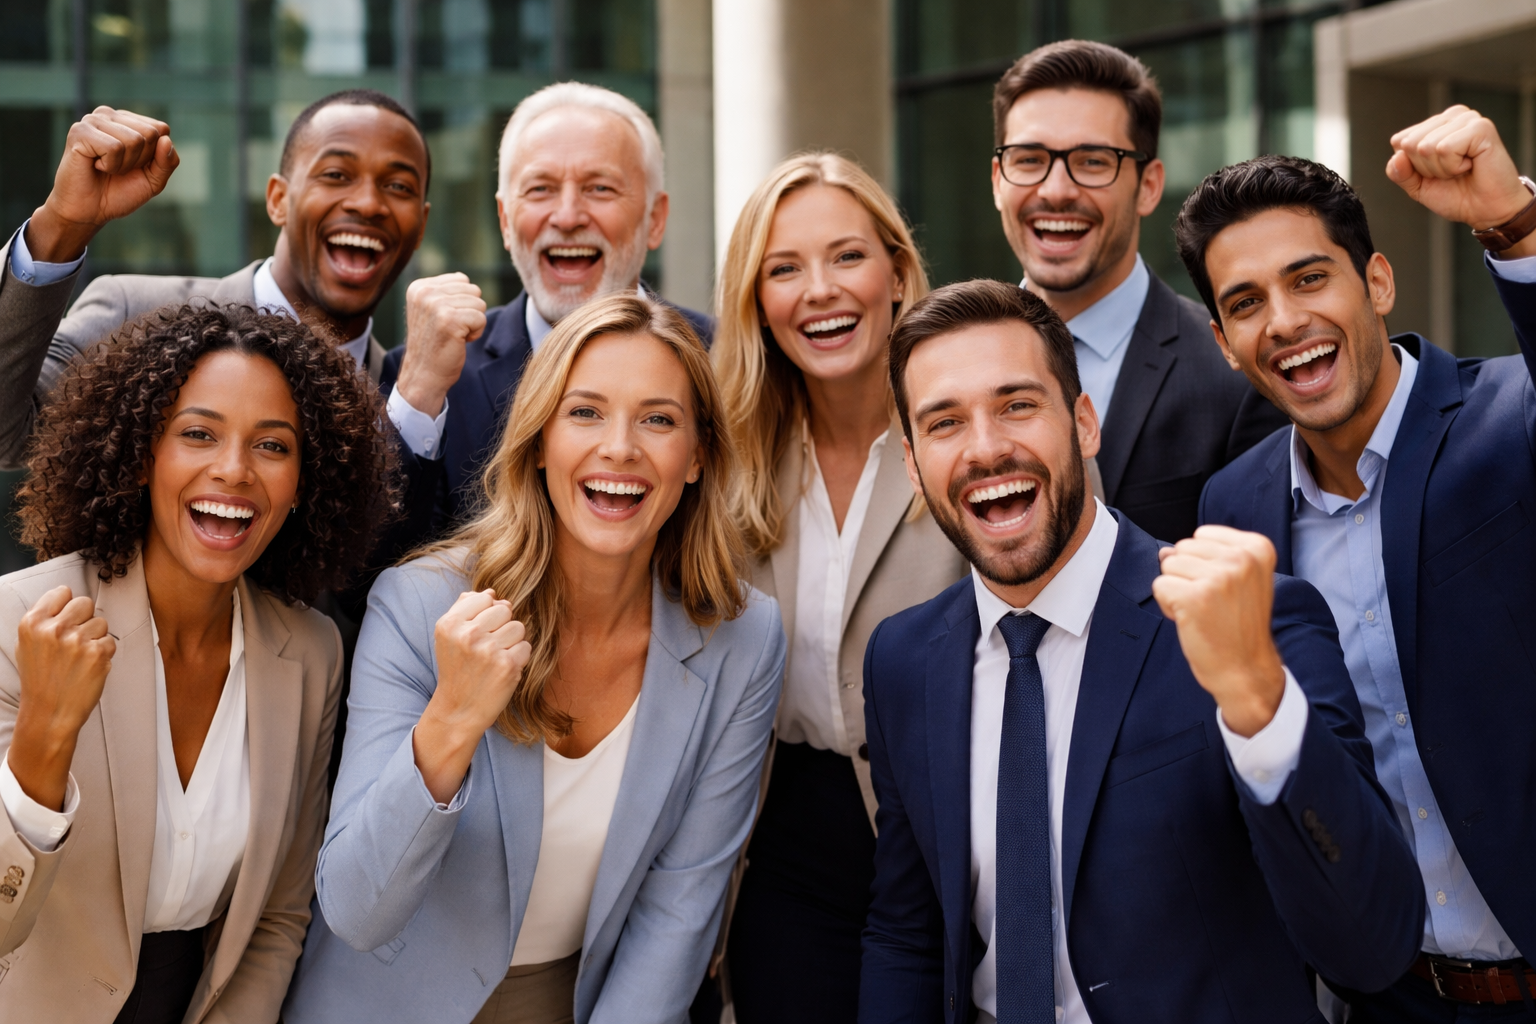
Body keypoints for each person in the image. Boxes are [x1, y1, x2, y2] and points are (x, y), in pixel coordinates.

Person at [857, 279, 1424, 1024]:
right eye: (944, 423)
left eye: (1018, 405)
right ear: (912, 462)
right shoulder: (902, 661)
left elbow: (1373, 946)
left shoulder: (1252, 621)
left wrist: (1260, 705)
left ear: (1084, 424)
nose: (987, 448)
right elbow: (908, 935)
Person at [283, 294, 784, 1024]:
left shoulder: (744, 636)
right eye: (584, 413)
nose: (620, 447)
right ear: (540, 438)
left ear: (698, 455)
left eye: (659, 419)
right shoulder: (421, 603)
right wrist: (450, 720)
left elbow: (679, 906)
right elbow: (359, 909)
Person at [1188, 109, 1536, 1020]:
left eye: (1311, 278)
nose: (1286, 321)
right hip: (1393, 995)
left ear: (1377, 281)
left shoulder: (1513, 413)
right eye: (1246, 302)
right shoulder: (1234, 509)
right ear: (1224, 342)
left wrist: (1514, 223)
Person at [0, 304, 397, 1023]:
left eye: (273, 446)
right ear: (141, 452)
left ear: (306, 479)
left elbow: (277, 916)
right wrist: (44, 738)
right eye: (197, 434)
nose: (234, 470)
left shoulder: (310, 653)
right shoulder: (16, 623)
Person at [0, 92, 464, 585]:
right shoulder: (131, 313)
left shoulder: (415, 404)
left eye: (397, 185)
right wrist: (62, 227)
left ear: (421, 226)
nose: (368, 203)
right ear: (278, 199)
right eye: (336, 175)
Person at [707, 152, 967, 1023]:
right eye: (784, 269)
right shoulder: (731, 459)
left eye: (847, 257)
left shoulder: (966, 432)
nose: (820, 290)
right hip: (784, 847)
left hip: (944, 838)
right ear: (758, 302)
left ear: (897, 271)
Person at [989, 40, 1286, 542]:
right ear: (998, 179)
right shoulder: (947, 372)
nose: (1056, 190)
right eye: (1029, 159)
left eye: (1092, 161)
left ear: (1148, 185)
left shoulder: (1237, 376)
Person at [383, 82, 714, 524]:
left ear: (654, 219)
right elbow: (375, 572)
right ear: (504, 220)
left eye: (599, 188)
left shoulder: (722, 358)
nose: (567, 216)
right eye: (540, 189)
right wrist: (419, 395)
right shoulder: (422, 379)